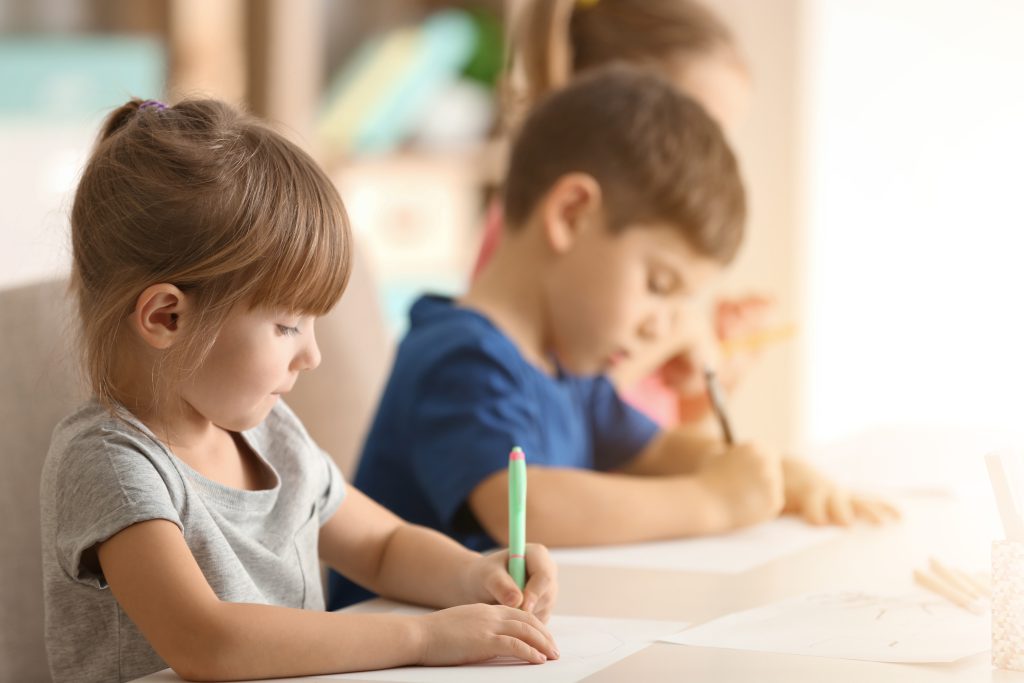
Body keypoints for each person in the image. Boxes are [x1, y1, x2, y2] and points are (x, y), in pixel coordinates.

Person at [327, 66, 898, 609]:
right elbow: (524, 506)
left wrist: (772, 471)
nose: (663, 324)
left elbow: (659, 451)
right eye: (660, 283)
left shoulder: (568, 370)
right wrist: (714, 501)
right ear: (572, 214)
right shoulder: (460, 357)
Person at [39, 97, 559, 683]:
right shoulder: (111, 462)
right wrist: (424, 636)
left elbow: (383, 546)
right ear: (166, 317)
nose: (311, 355)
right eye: (287, 325)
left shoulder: (269, 432)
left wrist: (474, 575)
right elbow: (207, 642)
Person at [475, 0, 767, 431]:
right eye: (694, 126)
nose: (713, 159)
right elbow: (563, 422)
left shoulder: (624, 266)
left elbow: (641, 429)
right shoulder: (533, 241)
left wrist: (713, 376)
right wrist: (677, 336)